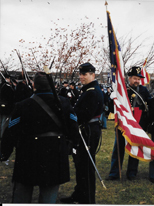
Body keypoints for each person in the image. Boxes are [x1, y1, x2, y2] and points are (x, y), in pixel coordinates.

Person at [0, 72, 80, 203]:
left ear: (33, 85)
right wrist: (72, 146)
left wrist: (4, 153)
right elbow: (74, 128)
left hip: (28, 155)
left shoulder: (22, 105)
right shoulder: (64, 103)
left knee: (22, 194)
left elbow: (11, 133)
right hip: (55, 153)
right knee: (49, 195)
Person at [60, 62, 104, 204]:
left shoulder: (92, 91)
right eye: (80, 74)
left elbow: (83, 115)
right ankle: (79, 195)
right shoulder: (88, 89)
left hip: (88, 131)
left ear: (93, 74)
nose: (81, 77)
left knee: (86, 166)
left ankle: (88, 199)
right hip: (87, 130)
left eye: (84, 74)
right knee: (81, 165)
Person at [107, 66, 151, 181]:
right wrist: (111, 98)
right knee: (118, 150)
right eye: (135, 78)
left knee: (135, 151)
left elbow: (149, 107)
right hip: (123, 126)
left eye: (139, 79)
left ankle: (132, 173)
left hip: (137, 126)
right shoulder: (122, 89)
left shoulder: (144, 91)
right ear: (129, 78)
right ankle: (114, 173)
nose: (137, 81)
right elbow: (113, 109)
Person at [0, 74, 15, 138]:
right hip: (6, 108)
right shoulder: (8, 87)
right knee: (4, 123)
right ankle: (2, 135)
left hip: (1, 107)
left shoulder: (1, 86)